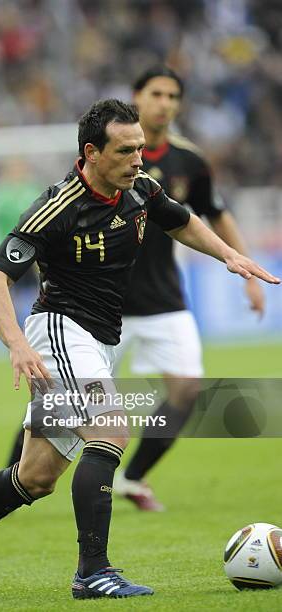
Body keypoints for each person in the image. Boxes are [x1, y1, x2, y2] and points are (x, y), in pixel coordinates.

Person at [0, 99, 279, 601]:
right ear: (91, 153)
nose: (139, 159)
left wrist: (231, 255)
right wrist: (16, 346)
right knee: (110, 428)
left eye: (141, 148)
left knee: (35, 478)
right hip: (59, 330)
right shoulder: (56, 207)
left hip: (99, 341)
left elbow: (181, 220)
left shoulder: (140, 190)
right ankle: (92, 572)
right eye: (126, 151)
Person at [112, 66, 265, 512]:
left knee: (187, 389)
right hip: (105, 304)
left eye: (173, 96)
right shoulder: (108, 153)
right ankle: (13, 481)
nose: (165, 103)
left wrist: (247, 271)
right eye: (156, 93)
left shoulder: (189, 161)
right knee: (60, 404)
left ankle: (134, 477)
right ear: (136, 96)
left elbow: (215, 213)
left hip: (164, 300)